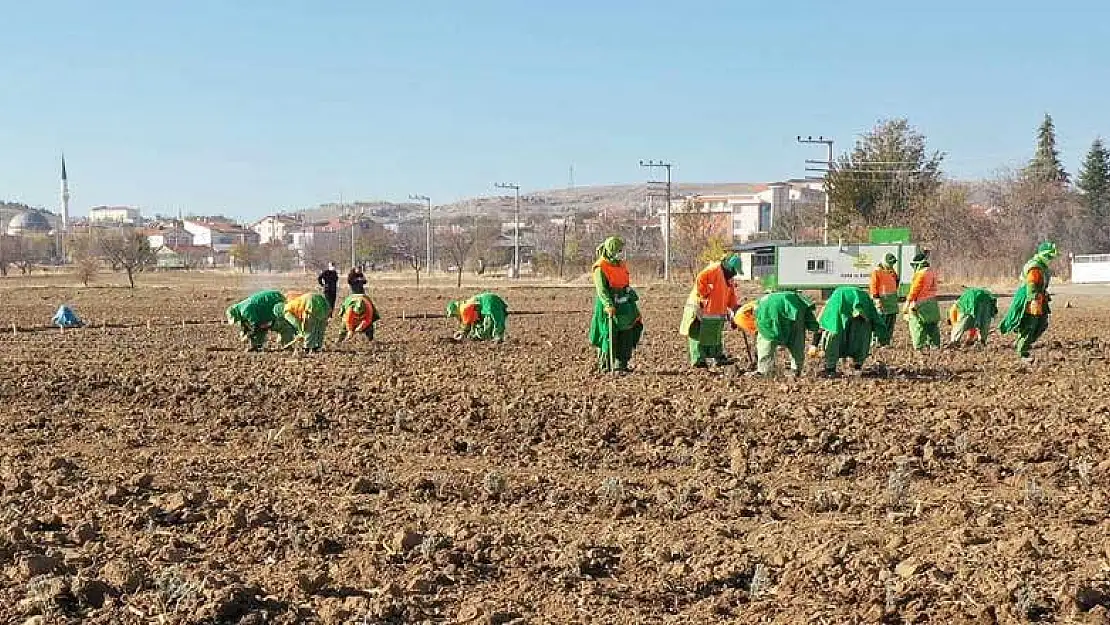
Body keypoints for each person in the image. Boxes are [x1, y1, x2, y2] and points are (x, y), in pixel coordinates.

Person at [587, 237, 643, 373]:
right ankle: (606, 365)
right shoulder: (600, 267)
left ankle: (621, 363)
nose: (620, 253)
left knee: (628, 331)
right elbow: (602, 289)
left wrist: (630, 293)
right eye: (618, 250)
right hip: (609, 305)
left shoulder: (621, 265)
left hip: (624, 303)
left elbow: (625, 283)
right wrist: (608, 304)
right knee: (609, 334)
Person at [734, 291, 819, 377]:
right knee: (797, 339)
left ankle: (764, 370)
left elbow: (758, 330)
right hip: (795, 304)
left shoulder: (740, 316)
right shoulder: (757, 302)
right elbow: (813, 324)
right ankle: (796, 369)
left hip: (769, 309)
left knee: (766, 339)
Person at [1000, 241, 1059, 363]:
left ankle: (1022, 343)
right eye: (1048, 256)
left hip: (1039, 297)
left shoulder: (1042, 267)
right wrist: (1033, 299)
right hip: (1029, 298)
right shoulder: (1035, 267)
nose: (1050, 259)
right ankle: (1022, 351)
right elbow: (1031, 284)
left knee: (1042, 323)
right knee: (1030, 324)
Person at [680, 254, 742, 368]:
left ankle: (718, 356)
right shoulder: (714, 269)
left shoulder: (728, 278)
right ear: (728, 266)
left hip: (715, 312)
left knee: (715, 334)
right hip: (700, 308)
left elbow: (731, 296)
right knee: (698, 334)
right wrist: (706, 294)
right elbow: (700, 280)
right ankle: (699, 359)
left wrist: (735, 310)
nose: (734, 273)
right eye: (734, 270)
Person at [818, 286, 891, 377]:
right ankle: (857, 366)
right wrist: (884, 340)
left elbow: (821, 324)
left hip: (841, 302)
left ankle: (830, 368)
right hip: (861, 303)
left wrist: (814, 344)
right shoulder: (863, 298)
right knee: (862, 334)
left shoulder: (832, 303)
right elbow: (877, 321)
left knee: (834, 331)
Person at [903, 251, 941, 350]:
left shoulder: (920, 274)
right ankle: (935, 344)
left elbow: (914, 290)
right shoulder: (932, 272)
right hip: (932, 302)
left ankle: (919, 345)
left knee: (917, 325)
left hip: (920, 303)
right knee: (932, 325)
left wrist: (907, 303)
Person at [869, 253, 900, 336]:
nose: (892, 264)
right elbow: (873, 287)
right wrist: (876, 300)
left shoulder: (892, 271)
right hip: (882, 302)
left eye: (893, 263)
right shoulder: (877, 271)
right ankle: (878, 340)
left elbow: (896, 284)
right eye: (890, 263)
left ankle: (886, 340)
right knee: (881, 322)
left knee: (890, 322)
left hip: (892, 302)